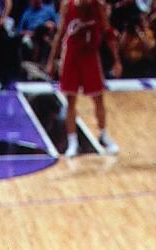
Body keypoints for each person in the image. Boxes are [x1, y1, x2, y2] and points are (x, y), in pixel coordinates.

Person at [48, 0, 115, 155]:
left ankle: (104, 135)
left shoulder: (98, 6)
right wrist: (52, 60)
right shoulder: (67, 5)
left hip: (90, 55)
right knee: (70, 101)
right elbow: (60, 34)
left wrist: (116, 59)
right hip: (71, 56)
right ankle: (72, 142)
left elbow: (108, 32)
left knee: (98, 99)